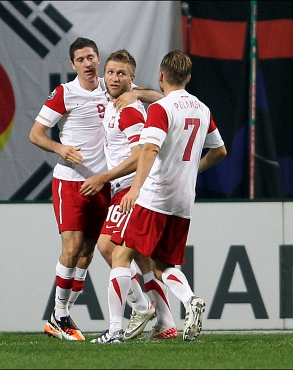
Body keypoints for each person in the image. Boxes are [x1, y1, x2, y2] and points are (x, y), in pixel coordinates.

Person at [29, 37, 164, 341]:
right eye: (81, 60)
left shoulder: (111, 84)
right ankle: (59, 314)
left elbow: (159, 97)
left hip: (103, 183)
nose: (87, 64)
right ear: (72, 64)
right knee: (73, 247)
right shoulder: (65, 93)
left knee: (88, 254)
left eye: (91, 57)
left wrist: (137, 92)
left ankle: (63, 317)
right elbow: (35, 134)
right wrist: (59, 148)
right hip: (71, 182)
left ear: (98, 59)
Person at [92, 50, 227, 344]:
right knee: (162, 264)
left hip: (155, 195)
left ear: (161, 76)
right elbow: (219, 151)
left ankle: (116, 329)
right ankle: (189, 300)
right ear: (189, 77)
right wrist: (194, 171)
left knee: (120, 254)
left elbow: (149, 149)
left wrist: (137, 189)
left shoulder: (161, 108)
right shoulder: (203, 109)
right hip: (184, 200)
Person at [79, 49, 177, 341]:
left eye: (121, 74)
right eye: (110, 72)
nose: (114, 78)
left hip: (132, 189)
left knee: (110, 249)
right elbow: (162, 98)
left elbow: (139, 156)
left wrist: (104, 178)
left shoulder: (129, 110)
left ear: (131, 79)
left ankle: (127, 319)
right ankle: (167, 323)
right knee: (144, 259)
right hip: (129, 189)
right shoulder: (115, 103)